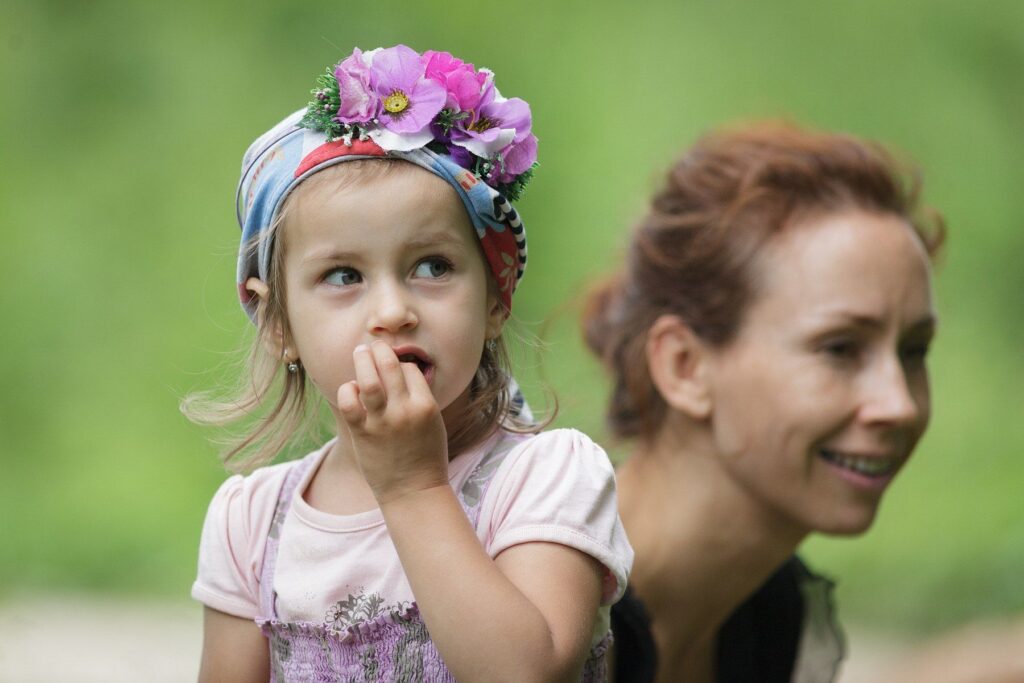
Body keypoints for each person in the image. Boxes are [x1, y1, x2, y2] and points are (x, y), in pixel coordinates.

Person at [186, 44, 632, 682]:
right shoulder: (251, 523)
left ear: (496, 297)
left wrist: (414, 487)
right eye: (344, 275)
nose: (393, 310)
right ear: (278, 323)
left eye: (433, 267)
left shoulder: (547, 479)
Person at [581, 122, 945, 682]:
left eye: (914, 351)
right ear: (685, 366)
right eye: (840, 348)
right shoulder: (524, 621)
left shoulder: (777, 620)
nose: (898, 405)